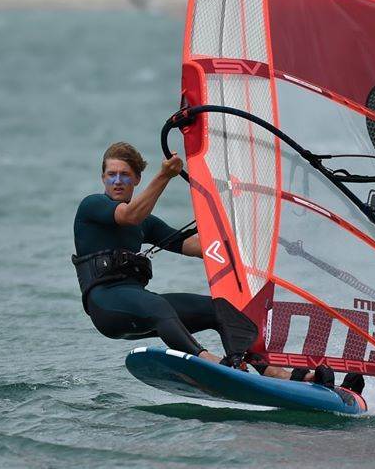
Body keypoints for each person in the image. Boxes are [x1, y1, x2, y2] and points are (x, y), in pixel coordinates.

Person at [72, 141, 344, 387]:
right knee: (158, 306)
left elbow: (197, 247)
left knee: (219, 309)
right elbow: (129, 215)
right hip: (105, 305)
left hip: (137, 303)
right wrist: (165, 175)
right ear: (103, 178)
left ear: (136, 179)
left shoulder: (147, 224)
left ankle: (270, 371)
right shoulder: (92, 206)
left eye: (125, 175)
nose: (117, 181)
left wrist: (242, 233)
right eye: (111, 174)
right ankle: (212, 363)